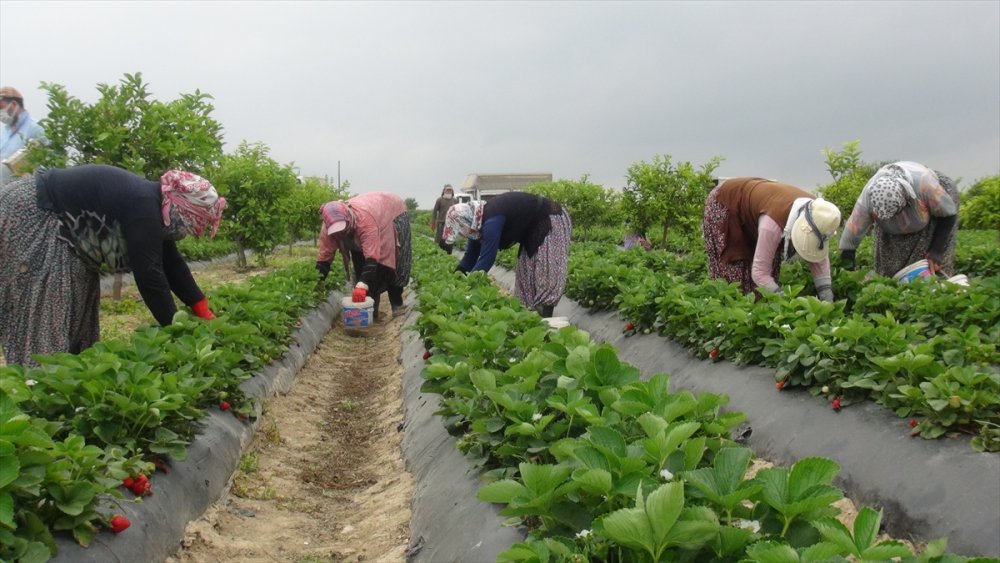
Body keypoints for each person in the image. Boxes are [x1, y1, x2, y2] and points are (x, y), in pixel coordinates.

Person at [0, 165, 226, 367]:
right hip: (36, 211)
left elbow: (172, 263)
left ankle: (65, 388)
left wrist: (201, 308)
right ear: (180, 209)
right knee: (48, 307)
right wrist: (178, 332)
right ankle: (37, 390)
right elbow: (150, 276)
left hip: (66, 230)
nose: (187, 231)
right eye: (191, 223)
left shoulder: (153, 204)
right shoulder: (144, 206)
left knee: (77, 308)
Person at [702, 177, 842, 302]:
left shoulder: (821, 216)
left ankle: (757, 312)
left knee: (770, 275)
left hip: (759, 210)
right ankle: (732, 318)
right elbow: (759, 273)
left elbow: (819, 262)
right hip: (727, 202)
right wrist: (786, 301)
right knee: (734, 276)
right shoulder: (772, 224)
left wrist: (827, 299)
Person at [443, 191, 572, 318]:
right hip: (530, 229)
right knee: (525, 278)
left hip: (550, 217)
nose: (462, 234)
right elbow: (469, 258)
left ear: (464, 222)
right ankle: (530, 320)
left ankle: (546, 319)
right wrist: (456, 282)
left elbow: (487, 259)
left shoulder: (491, 220)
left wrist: (469, 286)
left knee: (545, 269)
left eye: (460, 230)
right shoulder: (475, 224)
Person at [838, 161, 959, 278]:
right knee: (889, 271)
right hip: (892, 226)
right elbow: (849, 240)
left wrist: (936, 250)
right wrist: (849, 276)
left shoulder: (926, 186)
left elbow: (948, 215)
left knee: (931, 267)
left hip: (935, 213)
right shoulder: (868, 199)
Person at [315, 192, 412, 319]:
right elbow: (324, 259)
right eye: (338, 231)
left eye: (343, 229)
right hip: (364, 229)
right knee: (360, 267)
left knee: (392, 265)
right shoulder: (328, 227)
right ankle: (370, 311)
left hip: (391, 213)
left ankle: (396, 304)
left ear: (348, 219)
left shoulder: (365, 220)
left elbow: (372, 258)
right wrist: (316, 285)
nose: (341, 233)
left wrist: (363, 284)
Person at [1, 86, 48, 185]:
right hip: (4, 192)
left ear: (13, 104)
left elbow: (52, 161)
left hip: (26, 191)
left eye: (1, 108)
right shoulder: (4, 132)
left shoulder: (36, 128)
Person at [431, 184, 457, 253]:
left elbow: (457, 212)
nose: (449, 191)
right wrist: (433, 222)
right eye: (447, 190)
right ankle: (441, 254)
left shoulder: (454, 200)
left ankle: (449, 255)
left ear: (452, 191)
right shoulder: (439, 200)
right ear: (444, 191)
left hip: (451, 224)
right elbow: (434, 212)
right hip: (441, 224)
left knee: (449, 241)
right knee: (440, 241)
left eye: (450, 190)